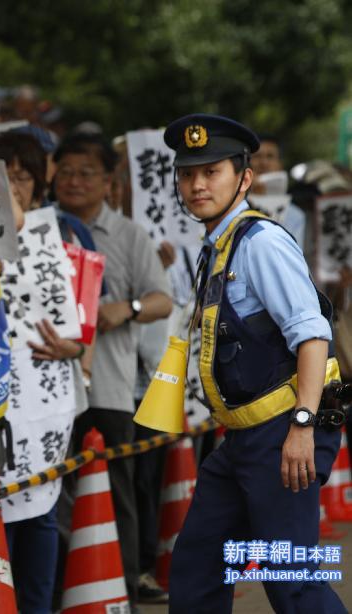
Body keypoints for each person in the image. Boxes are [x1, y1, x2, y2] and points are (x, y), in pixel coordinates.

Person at [164, 114, 345, 612]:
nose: (197, 184)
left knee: (290, 577)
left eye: (211, 171)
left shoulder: (260, 242)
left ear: (244, 177)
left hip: (283, 432)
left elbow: (312, 336)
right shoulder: (219, 245)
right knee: (199, 564)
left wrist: (303, 426)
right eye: (186, 173)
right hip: (244, 438)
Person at [54, 132, 173, 608]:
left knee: (114, 488)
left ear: (108, 181)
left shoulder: (129, 234)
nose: (74, 181)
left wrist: (129, 307)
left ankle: (120, 585)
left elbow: (163, 299)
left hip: (108, 387)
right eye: (65, 172)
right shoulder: (40, 228)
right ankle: (67, 583)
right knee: (54, 492)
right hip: (51, 391)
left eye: (86, 173)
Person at [0, 128, 95, 614]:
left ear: (39, 181)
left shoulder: (70, 233)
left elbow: (89, 320)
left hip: (51, 393)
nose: (14, 186)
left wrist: (76, 347)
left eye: (23, 176)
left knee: (42, 511)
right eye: (4, 175)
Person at [249, 132, 307, 247]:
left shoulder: (295, 215)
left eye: (270, 157)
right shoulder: (232, 207)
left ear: (280, 165)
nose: (263, 163)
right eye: (257, 156)